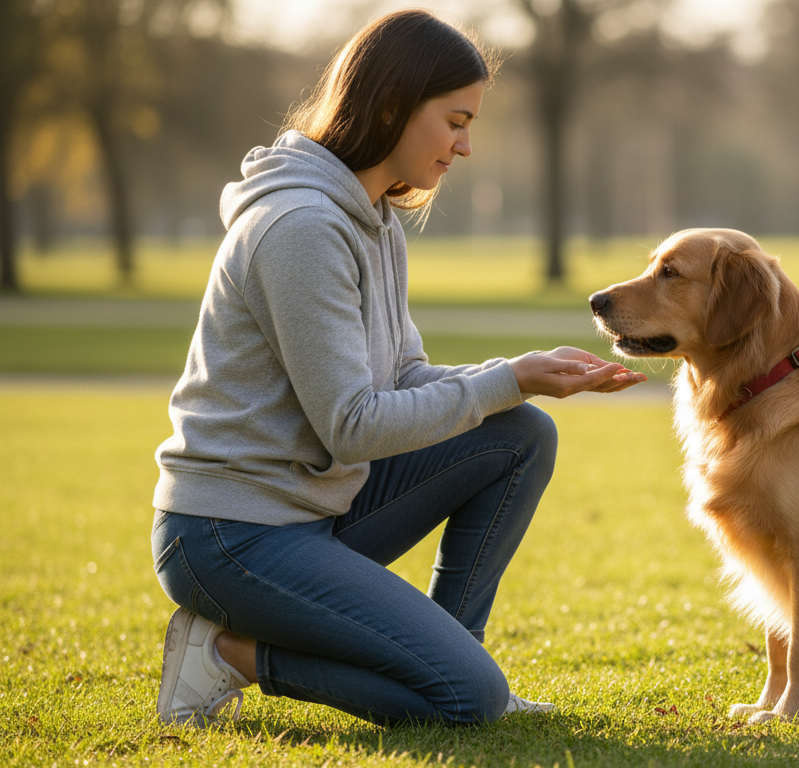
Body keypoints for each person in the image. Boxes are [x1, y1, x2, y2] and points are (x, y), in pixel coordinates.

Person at [149, 9, 645, 728]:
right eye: (455, 120)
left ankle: (454, 650)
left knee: (520, 433)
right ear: (392, 105)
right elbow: (351, 424)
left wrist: (519, 374)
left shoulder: (373, 217)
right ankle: (227, 652)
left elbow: (404, 374)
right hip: (229, 535)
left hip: (311, 510)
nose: (466, 145)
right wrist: (506, 379)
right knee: (464, 699)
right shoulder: (303, 228)